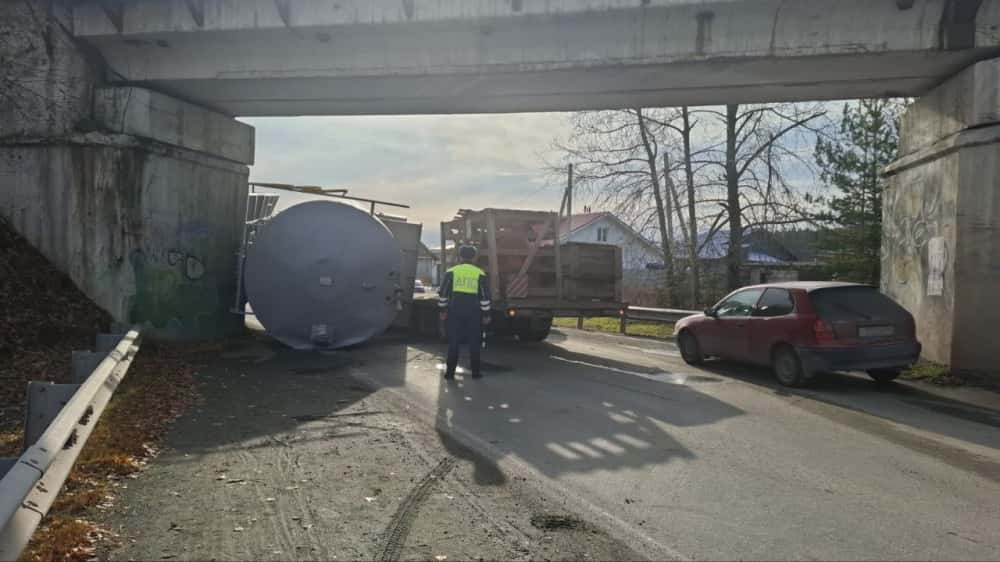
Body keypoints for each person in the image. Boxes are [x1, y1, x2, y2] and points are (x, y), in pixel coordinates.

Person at [438, 245, 491, 380]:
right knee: (474, 343)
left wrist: (443, 310)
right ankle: (476, 373)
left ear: (460, 256)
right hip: (474, 312)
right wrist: (486, 315)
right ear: (473, 257)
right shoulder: (480, 273)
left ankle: (450, 374)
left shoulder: (451, 271)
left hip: (455, 311)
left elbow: (443, 294)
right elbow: (485, 297)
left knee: (454, 343)